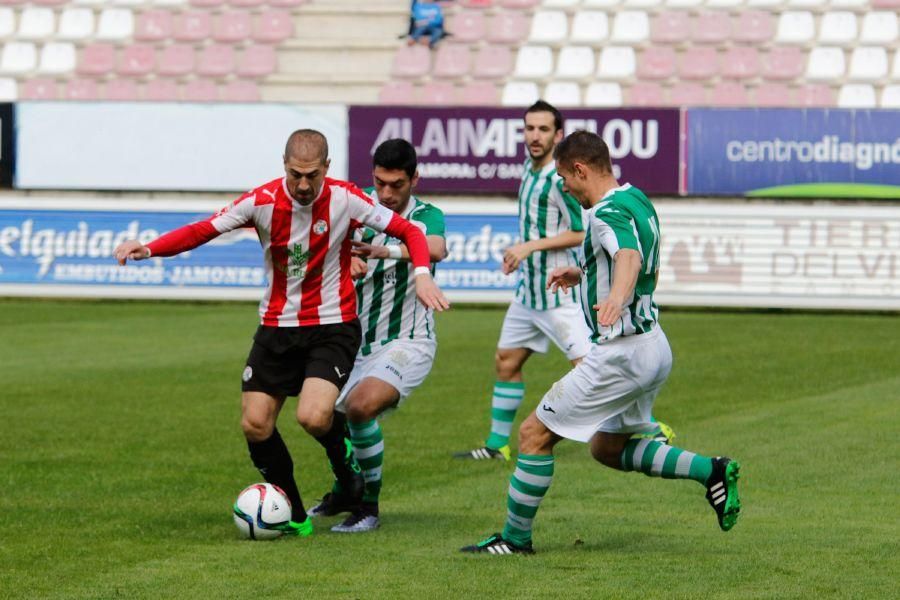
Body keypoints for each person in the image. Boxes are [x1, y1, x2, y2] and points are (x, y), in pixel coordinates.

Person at [113, 129, 449, 538]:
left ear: (327, 168)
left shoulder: (347, 198)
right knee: (255, 424)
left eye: (312, 175)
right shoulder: (262, 201)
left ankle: (349, 473)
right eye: (295, 175)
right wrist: (149, 248)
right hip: (276, 328)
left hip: (332, 326)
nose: (304, 185)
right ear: (284, 166)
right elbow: (204, 230)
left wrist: (420, 273)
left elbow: (413, 233)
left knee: (313, 416)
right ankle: (293, 514)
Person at [461, 131, 742, 555]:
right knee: (606, 448)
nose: (566, 189)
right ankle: (712, 471)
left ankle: (515, 540)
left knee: (534, 434)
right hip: (653, 346)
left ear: (580, 170)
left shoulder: (605, 212)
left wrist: (615, 297)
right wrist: (582, 274)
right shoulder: (637, 198)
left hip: (621, 353)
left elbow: (627, 255)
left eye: (565, 179)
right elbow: (630, 252)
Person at [455, 101, 671, 462]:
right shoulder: (528, 169)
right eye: (528, 128)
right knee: (506, 361)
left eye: (542, 129)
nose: (534, 136)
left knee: (591, 367)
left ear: (557, 135)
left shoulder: (565, 183)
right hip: (530, 292)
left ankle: (644, 426)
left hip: (561, 298)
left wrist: (531, 247)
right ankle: (496, 445)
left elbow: (583, 231)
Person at [307, 139, 447, 533]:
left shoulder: (427, 215)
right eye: (380, 183)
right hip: (352, 341)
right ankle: (345, 488)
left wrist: (388, 253)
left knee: (360, 407)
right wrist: (345, 259)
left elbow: (436, 248)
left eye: (397, 185)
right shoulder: (357, 205)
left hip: (407, 341)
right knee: (319, 417)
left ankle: (368, 507)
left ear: (414, 180)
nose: (386, 194)